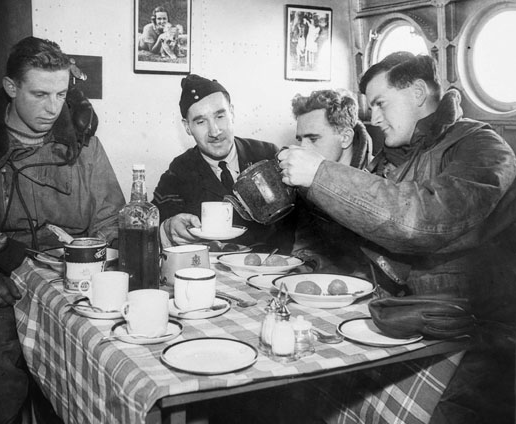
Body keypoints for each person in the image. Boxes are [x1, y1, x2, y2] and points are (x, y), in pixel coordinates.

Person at [278, 52, 516, 423]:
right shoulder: (394, 158)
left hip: (481, 337)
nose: (372, 118)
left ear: (418, 92)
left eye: (380, 103)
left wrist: (321, 175)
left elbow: (421, 221)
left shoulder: (484, 149)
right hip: (413, 320)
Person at [0, 36, 125, 424]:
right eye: (40, 94)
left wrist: (105, 271)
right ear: (11, 88)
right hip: (0, 287)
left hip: (75, 284)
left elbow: (111, 217)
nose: (53, 108)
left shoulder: (84, 147)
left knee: (101, 371)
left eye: (61, 94)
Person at [152, 74, 294, 252]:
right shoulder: (179, 172)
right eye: (201, 121)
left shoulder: (267, 155)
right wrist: (167, 227)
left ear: (232, 113)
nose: (215, 131)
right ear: (187, 127)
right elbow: (153, 226)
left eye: (220, 116)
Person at [290, 89, 372, 275]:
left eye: (313, 139)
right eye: (300, 139)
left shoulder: (379, 181)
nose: (303, 148)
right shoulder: (305, 181)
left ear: (345, 138)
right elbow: (305, 247)